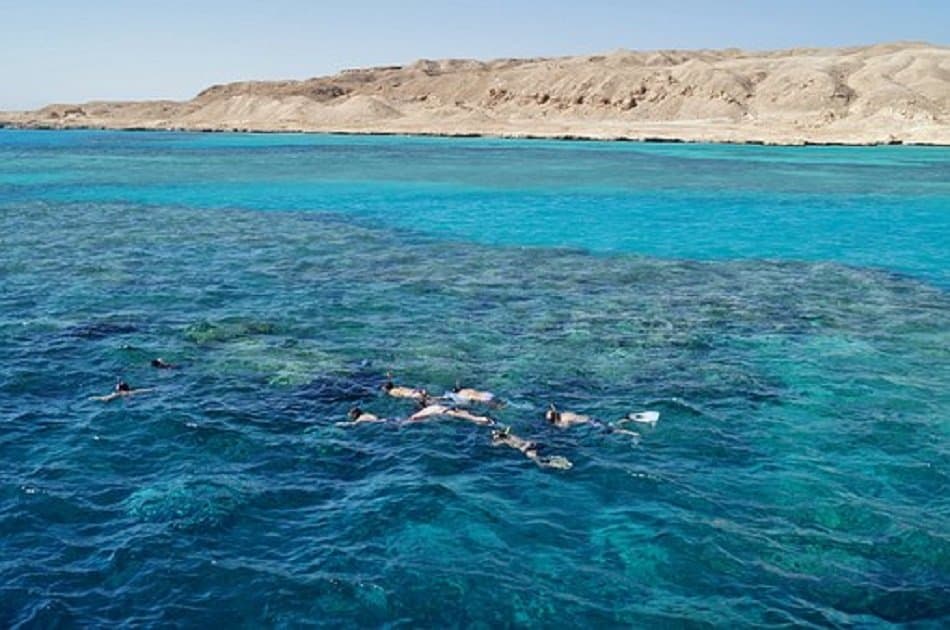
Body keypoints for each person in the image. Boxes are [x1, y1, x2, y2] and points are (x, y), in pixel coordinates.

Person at [491, 427, 572, 470]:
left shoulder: (504, 440)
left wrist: (495, 439)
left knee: (540, 464)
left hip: (527, 450)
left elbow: (494, 444)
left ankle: (557, 464)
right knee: (542, 456)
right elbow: (506, 432)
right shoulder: (511, 436)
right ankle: (557, 459)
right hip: (531, 444)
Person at [409, 398, 495, 426]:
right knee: (470, 417)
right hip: (453, 410)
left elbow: (414, 416)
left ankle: (483, 420)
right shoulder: (434, 406)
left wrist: (404, 422)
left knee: (472, 418)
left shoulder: (428, 409)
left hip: (449, 412)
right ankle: (484, 420)